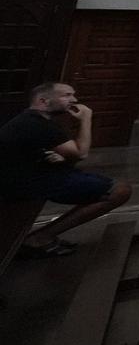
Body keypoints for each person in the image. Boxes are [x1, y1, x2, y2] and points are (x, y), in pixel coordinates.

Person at [1, 82, 131, 258]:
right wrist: (86, 118)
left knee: (107, 184)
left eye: (73, 95)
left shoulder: (32, 120)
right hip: (23, 183)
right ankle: (40, 237)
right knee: (119, 191)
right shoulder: (37, 123)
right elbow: (80, 153)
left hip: (31, 175)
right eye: (67, 95)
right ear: (43, 100)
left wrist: (54, 157)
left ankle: (41, 236)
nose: (74, 100)